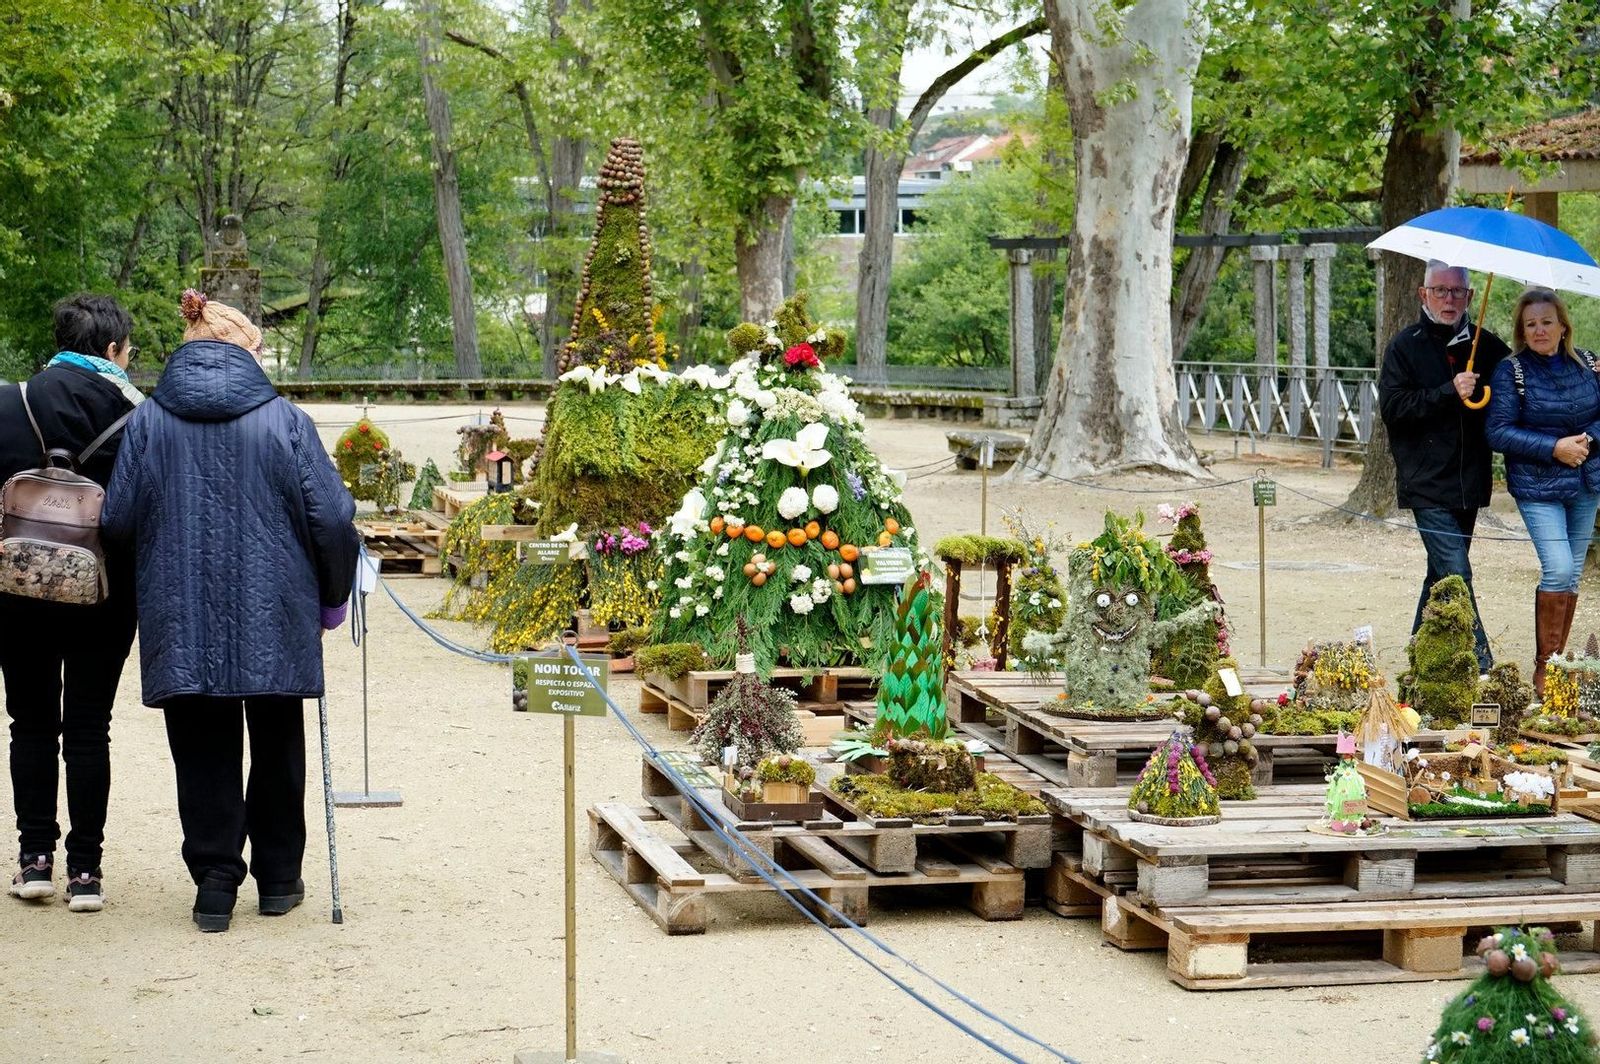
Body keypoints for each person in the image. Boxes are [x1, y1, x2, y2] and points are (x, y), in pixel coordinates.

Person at [102, 290, 357, 932]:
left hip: (180, 610)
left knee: (201, 746)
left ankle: (215, 883)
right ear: (247, 351)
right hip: (276, 608)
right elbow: (333, 520)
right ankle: (279, 878)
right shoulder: (286, 420)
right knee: (277, 742)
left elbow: (117, 521)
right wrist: (332, 596)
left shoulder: (147, 422)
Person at [0, 293, 143, 912]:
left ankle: (35, 860)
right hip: (104, 594)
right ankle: (86, 871)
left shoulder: (9, 402)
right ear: (111, 349)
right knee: (89, 728)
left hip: (16, 591)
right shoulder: (136, 416)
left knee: (29, 723)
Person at [1379, 260, 1509, 674]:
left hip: (1469, 482)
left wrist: (1583, 365)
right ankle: (1482, 665)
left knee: (1441, 575)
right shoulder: (1405, 346)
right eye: (1440, 290)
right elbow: (1393, 408)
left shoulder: (1489, 347)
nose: (1448, 299)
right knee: (1456, 570)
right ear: (1424, 294)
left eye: (1457, 291)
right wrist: (1447, 392)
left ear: (1470, 296)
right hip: (1425, 483)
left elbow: (1527, 381)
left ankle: (1418, 655)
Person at [1485, 288, 1600, 696]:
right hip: (1538, 487)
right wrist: (1554, 448)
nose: (1539, 330)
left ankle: (1558, 670)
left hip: (1586, 482)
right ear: (1522, 330)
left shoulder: (1589, 364)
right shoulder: (1511, 371)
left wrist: (1587, 441)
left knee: (1572, 575)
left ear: (1563, 325)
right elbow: (1497, 431)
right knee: (1559, 568)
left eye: (1546, 322)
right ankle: (1545, 668)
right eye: (1530, 324)